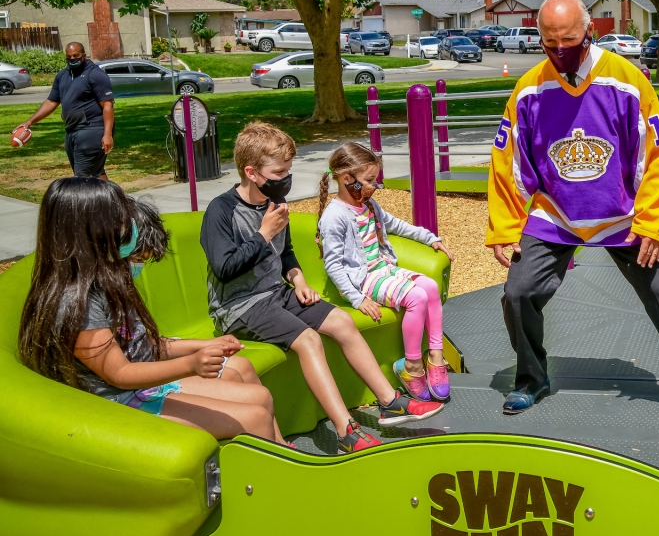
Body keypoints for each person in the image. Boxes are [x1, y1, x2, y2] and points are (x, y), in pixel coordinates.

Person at [487, 0, 659, 420]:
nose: (560, 50)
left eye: (568, 40)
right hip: (556, 215)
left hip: (622, 215)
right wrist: (507, 226)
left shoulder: (626, 80)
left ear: (589, 32)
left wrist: (652, 223)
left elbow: (657, 154)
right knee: (518, 293)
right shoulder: (529, 90)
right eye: (549, 42)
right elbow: (507, 161)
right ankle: (531, 378)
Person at [200, 122, 440, 454]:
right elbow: (224, 269)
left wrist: (298, 279)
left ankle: (390, 401)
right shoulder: (221, 211)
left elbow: (284, 254)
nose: (286, 177)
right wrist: (263, 234)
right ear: (252, 172)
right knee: (309, 340)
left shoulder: (275, 200)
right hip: (240, 305)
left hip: (276, 293)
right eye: (279, 171)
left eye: (289, 170)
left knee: (341, 322)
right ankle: (346, 430)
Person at [18, 177, 286, 443]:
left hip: (141, 389)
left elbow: (139, 345)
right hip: (120, 403)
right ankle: (277, 479)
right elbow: (120, 374)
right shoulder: (77, 303)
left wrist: (204, 346)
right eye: (118, 216)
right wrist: (191, 364)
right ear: (87, 231)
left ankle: (287, 459)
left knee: (259, 398)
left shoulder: (108, 279)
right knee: (255, 418)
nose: (128, 222)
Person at [317, 142, 454, 402]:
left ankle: (435, 355)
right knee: (417, 297)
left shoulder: (369, 205)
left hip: (383, 269)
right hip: (364, 281)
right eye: (369, 180)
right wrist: (356, 299)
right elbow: (333, 264)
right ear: (346, 179)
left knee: (431, 287)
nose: (374, 186)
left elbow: (397, 226)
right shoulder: (335, 216)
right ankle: (411, 366)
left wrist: (430, 238)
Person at [13, 42, 114, 178]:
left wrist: (107, 134)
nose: (72, 59)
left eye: (75, 56)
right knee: (95, 172)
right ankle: (112, 199)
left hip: (92, 129)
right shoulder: (62, 76)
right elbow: (52, 101)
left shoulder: (95, 74)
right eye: (69, 56)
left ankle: (88, 200)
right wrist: (29, 122)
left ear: (84, 55)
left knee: (83, 176)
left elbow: (107, 105)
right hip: (72, 130)